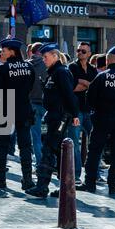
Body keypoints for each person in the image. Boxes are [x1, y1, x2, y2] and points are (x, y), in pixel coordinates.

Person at [77, 47, 115, 195]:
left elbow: (90, 99)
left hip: (101, 120)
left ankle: (90, 183)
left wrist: (96, 112)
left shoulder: (101, 77)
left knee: (94, 152)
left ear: (107, 61)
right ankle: (113, 186)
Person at [26, 43, 80, 198]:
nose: (43, 60)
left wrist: (75, 115)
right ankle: (65, 187)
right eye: (43, 57)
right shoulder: (53, 72)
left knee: (49, 150)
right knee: (55, 152)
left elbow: (69, 95)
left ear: (55, 56)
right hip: (52, 116)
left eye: (46, 57)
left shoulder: (61, 72)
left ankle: (43, 186)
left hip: (60, 117)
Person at [0, 38, 36, 190]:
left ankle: (0, 180)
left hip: (5, 108)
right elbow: (30, 87)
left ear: (12, 51)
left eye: (4, 51)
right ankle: (27, 180)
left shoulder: (3, 69)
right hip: (24, 109)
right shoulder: (29, 67)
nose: (2, 53)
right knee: (25, 146)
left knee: (2, 146)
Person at [68, 42, 97, 184]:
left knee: (95, 143)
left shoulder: (93, 69)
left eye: (83, 51)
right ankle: (76, 175)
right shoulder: (72, 67)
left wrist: (83, 82)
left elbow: (95, 87)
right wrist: (86, 83)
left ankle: (94, 173)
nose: (80, 53)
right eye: (78, 50)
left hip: (90, 110)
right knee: (74, 144)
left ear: (89, 54)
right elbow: (72, 88)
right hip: (76, 110)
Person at [27, 42, 47, 171]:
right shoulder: (46, 65)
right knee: (46, 136)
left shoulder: (25, 65)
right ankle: (46, 162)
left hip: (30, 104)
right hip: (45, 104)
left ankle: (39, 163)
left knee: (35, 136)